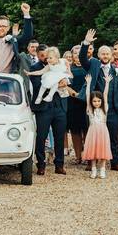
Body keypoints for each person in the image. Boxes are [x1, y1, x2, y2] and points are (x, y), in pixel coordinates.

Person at [79, 30, 118, 173]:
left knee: (113, 136)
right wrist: (86, 42)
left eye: (107, 54)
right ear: (98, 55)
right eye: (103, 53)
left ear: (111, 56)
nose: (105, 56)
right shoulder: (93, 64)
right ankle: (91, 161)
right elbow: (82, 59)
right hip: (95, 108)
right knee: (92, 135)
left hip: (113, 108)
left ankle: (115, 162)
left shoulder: (117, 70)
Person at [29, 46, 70, 175]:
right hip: (43, 107)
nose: (46, 58)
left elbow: (69, 76)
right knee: (41, 136)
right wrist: (56, 82)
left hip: (60, 105)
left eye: (49, 56)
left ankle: (59, 164)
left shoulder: (62, 64)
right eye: (44, 55)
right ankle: (41, 164)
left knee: (59, 136)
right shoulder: (36, 68)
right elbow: (36, 84)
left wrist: (65, 80)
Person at [0, 3, 34, 74]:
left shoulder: (14, 41)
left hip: (8, 81)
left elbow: (28, 36)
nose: (0, 28)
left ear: (8, 28)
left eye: (3, 26)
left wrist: (26, 14)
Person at [67, 44, 89, 166]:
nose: (77, 55)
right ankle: (78, 156)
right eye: (75, 53)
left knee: (86, 129)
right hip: (73, 101)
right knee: (75, 130)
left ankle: (87, 154)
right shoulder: (68, 68)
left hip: (86, 102)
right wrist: (74, 93)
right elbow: (65, 84)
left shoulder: (88, 67)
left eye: (79, 52)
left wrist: (83, 95)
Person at [83, 91, 112, 179]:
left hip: (103, 132)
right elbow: (87, 95)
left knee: (103, 149)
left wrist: (107, 83)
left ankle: (102, 169)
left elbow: (106, 94)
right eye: (94, 101)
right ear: (91, 102)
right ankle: (94, 169)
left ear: (102, 101)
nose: (97, 103)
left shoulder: (105, 109)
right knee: (93, 150)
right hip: (93, 132)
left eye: (99, 101)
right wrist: (88, 85)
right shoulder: (90, 110)